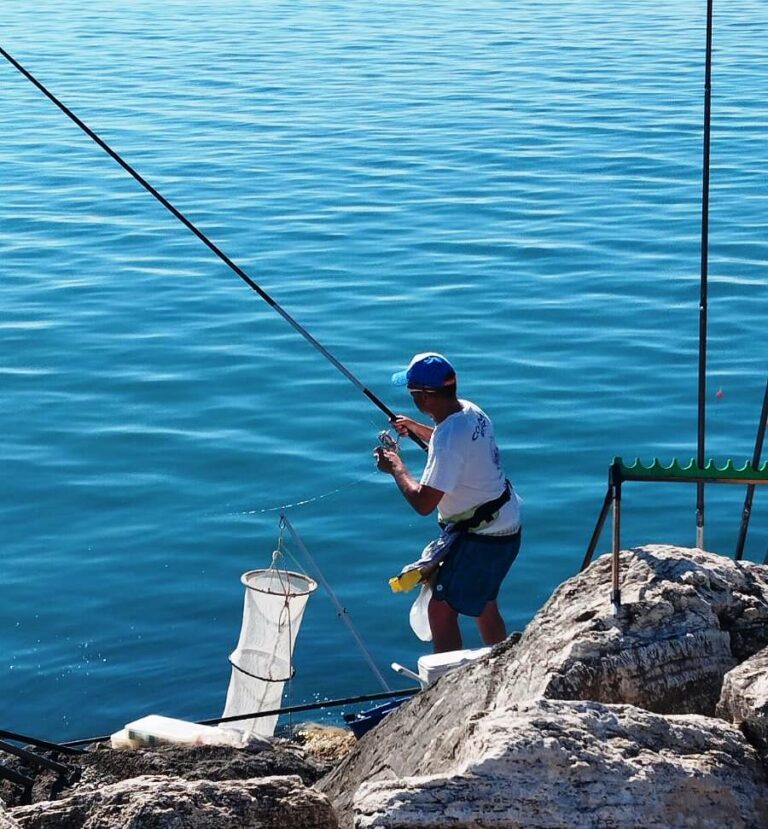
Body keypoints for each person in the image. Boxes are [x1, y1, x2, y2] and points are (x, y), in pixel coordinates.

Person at [374, 352, 522, 653]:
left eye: (412, 392)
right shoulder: (470, 411)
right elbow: (452, 443)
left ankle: (445, 684)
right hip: (505, 523)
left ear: (425, 396)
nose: (411, 396)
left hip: (482, 537)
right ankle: (502, 658)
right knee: (484, 603)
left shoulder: (447, 440)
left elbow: (423, 503)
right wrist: (416, 427)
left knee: (440, 611)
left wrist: (396, 468)